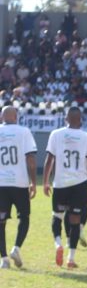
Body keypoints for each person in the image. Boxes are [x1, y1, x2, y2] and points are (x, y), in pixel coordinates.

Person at [43, 106, 87, 269]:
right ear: (80, 120)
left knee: (57, 216)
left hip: (60, 183)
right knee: (75, 220)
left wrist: (45, 181)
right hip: (80, 185)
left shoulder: (56, 134)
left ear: (66, 119)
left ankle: (58, 244)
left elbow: (49, 160)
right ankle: (71, 258)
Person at [0, 106, 37, 269]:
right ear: (16, 117)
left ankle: (4, 259)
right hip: (20, 183)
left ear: (2, 117)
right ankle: (16, 248)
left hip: (1, 184)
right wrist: (33, 181)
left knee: (1, 222)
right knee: (24, 217)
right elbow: (30, 158)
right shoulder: (24, 132)